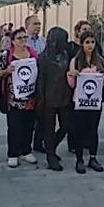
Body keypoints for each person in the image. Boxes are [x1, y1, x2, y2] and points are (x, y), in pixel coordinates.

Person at [67, 31, 104, 173]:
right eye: (87, 42)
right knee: (79, 130)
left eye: (92, 42)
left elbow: (102, 83)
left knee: (93, 130)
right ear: (82, 44)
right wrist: (70, 75)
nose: (90, 45)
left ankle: (93, 158)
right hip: (79, 101)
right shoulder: (76, 60)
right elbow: (72, 85)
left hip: (94, 101)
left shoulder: (99, 60)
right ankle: (79, 160)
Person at [0, 27, 39, 168]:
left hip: (30, 97)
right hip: (13, 98)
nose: (23, 41)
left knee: (29, 125)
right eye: (19, 38)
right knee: (14, 126)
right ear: (13, 41)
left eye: (24, 38)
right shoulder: (6, 55)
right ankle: (13, 153)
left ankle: (26, 150)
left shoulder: (33, 54)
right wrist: (7, 71)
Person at [38, 27, 72, 171]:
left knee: (66, 125)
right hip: (49, 99)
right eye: (64, 40)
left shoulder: (65, 54)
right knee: (49, 129)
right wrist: (40, 99)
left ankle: (50, 147)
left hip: (64, 96)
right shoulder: (44, 58)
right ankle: (50, 156)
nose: (66, 43)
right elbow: (40, 80)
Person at [25, 14, 46, 153]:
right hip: (26, 84)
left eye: (39, 24)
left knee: (42, 116)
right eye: (35, 24)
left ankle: (38, 143)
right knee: (28, 118)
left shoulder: (44, 41)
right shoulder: (22, 42)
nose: (38, 26)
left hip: (42, 82)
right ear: (27, 27)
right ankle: (24, 146)